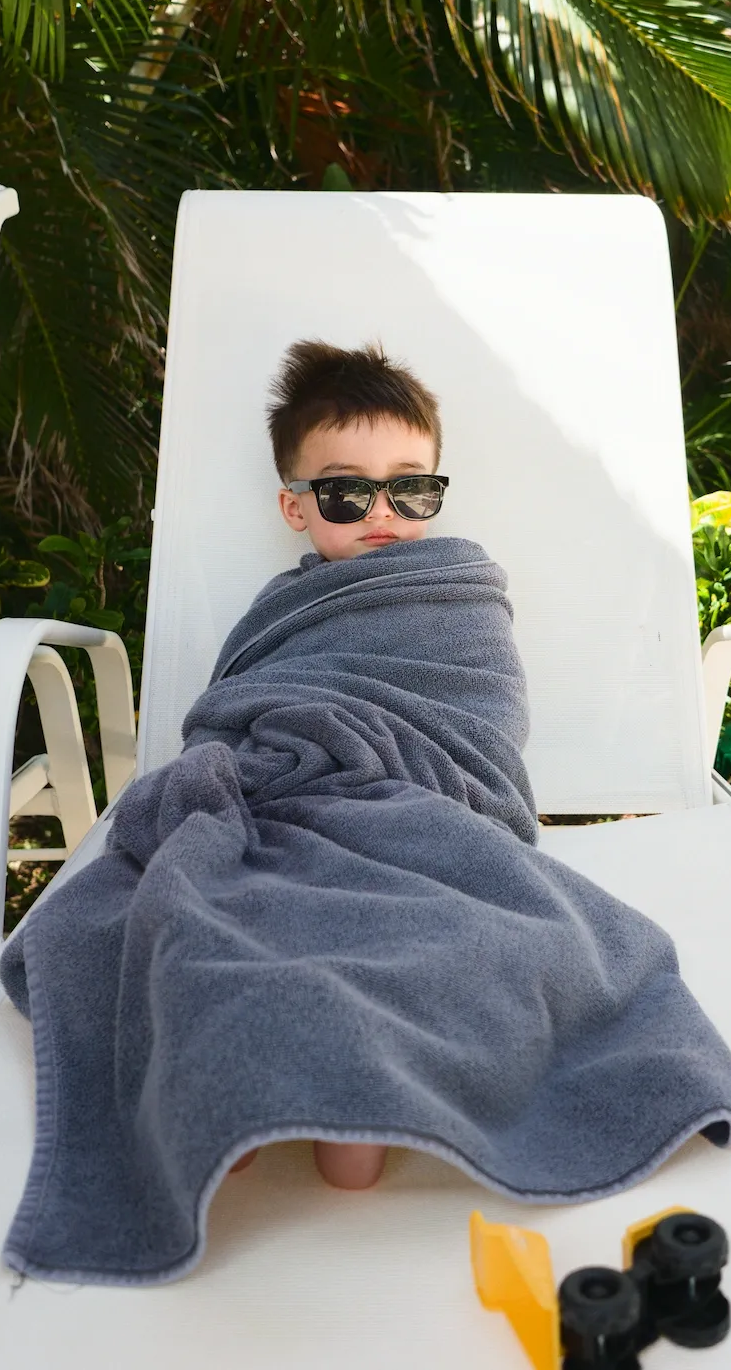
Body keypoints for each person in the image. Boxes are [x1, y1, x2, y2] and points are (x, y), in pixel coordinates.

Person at [230, 338, 450, 1190]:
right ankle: (229, 1095)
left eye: (410, 485)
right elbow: (237, 707)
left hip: (424, 812)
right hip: (293, 811)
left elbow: (480, 719)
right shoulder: (280, 609)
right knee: (235, 915)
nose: (381, 509)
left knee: (405, 932)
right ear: (296, 506)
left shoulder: (458, 592)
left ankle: (356, 1105)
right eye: (347, 490)